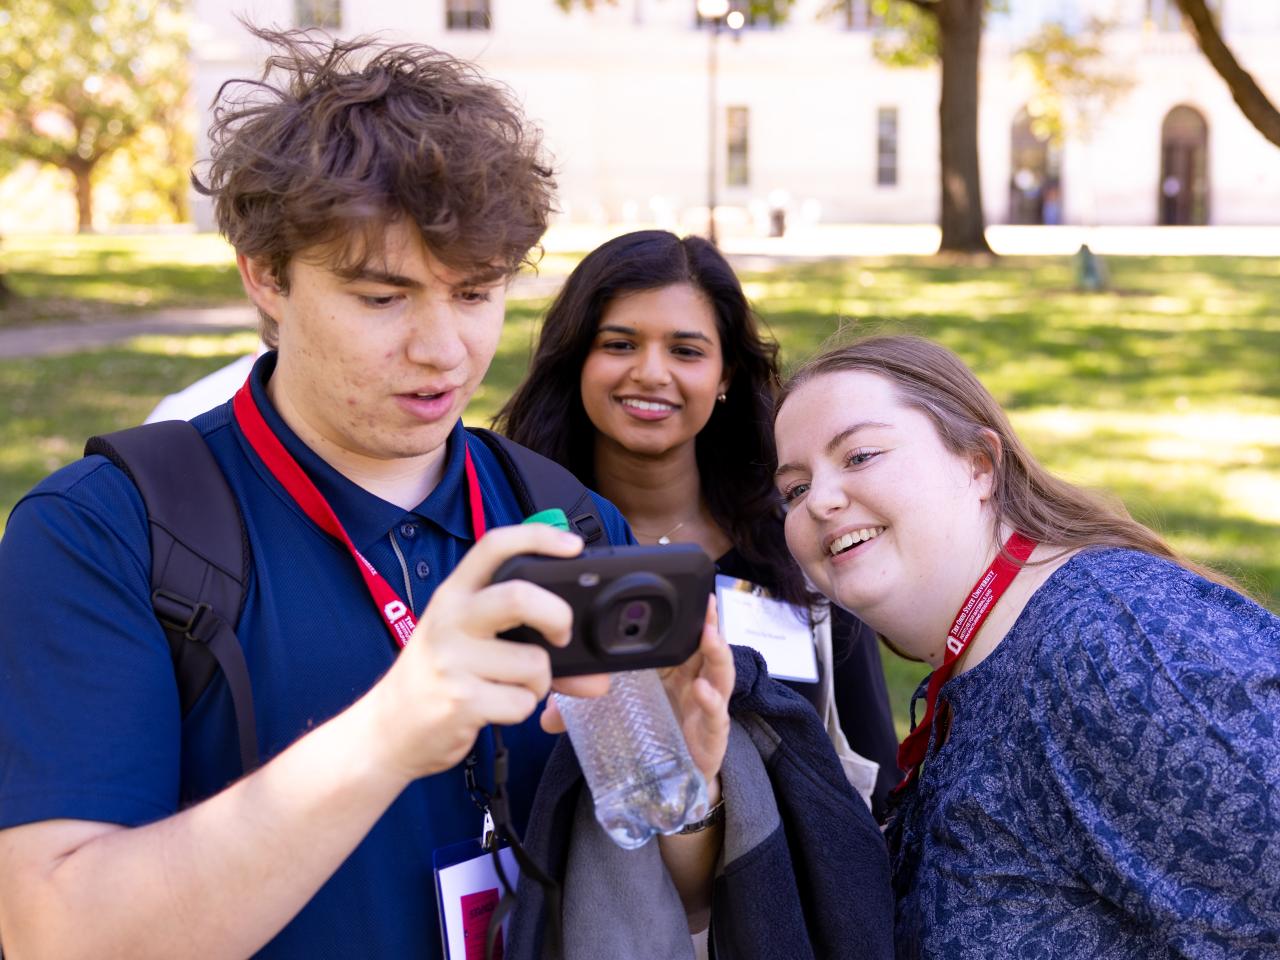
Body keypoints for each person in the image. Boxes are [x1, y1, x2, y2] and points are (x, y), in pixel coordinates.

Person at [0, 30, 733, 959]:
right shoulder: (106, 533)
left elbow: (676, 896)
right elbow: (53, 934)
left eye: (474, 293)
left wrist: (685, 787)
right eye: (383, 299)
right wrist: (391, 732)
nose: (441, 349)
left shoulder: (567, 520)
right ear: (266, 277)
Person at [772, 334, 1280, 958]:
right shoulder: (980, 667)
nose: (820, 501)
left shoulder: (1108, 648)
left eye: (859, 455)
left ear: (978, 465)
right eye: (794, 489)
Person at [495, 230, 900, 814]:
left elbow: (874, 777)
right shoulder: (519, 535)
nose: (652, 373)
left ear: (727, 374)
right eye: (619, 344)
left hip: (784, 891)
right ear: (578, 357)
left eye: (686, 351)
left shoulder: (802, 541)